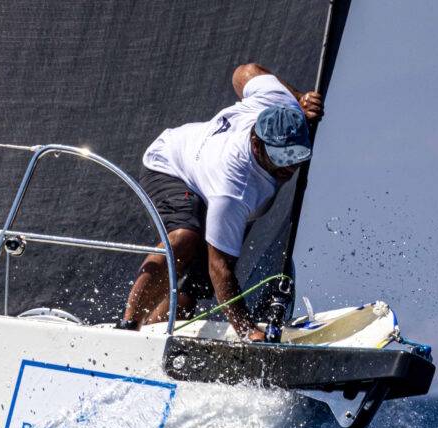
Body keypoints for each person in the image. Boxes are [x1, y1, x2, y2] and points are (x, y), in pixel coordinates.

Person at [118, 63, 322, 341]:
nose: (290, 166)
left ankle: (155, 337)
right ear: (256, 143)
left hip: (212, 180)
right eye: (280, 156)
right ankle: (128, 329)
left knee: (193, 288)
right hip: (171, 165)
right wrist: (247, 332)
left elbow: (244, 72)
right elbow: (220, 269)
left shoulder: (279, 101)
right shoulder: (234, 188)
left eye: (297, 155)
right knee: (186, 239)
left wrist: (299, 97)